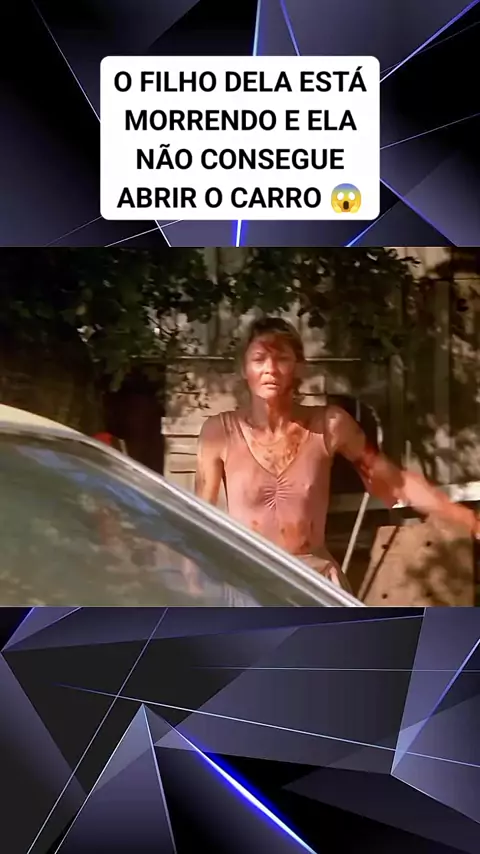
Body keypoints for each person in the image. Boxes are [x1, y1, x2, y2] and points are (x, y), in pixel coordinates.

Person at [195, 315, 480, 593]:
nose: (270, 368)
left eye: (281, 358)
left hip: (313, 583)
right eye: (259, 359)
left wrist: (467, 519)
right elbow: (197, 518)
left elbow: (396, 482)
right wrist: (192, 581)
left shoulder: (329, 425)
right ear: (244, 368)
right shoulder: (219, 432)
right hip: (248, 585)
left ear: (299, 367)